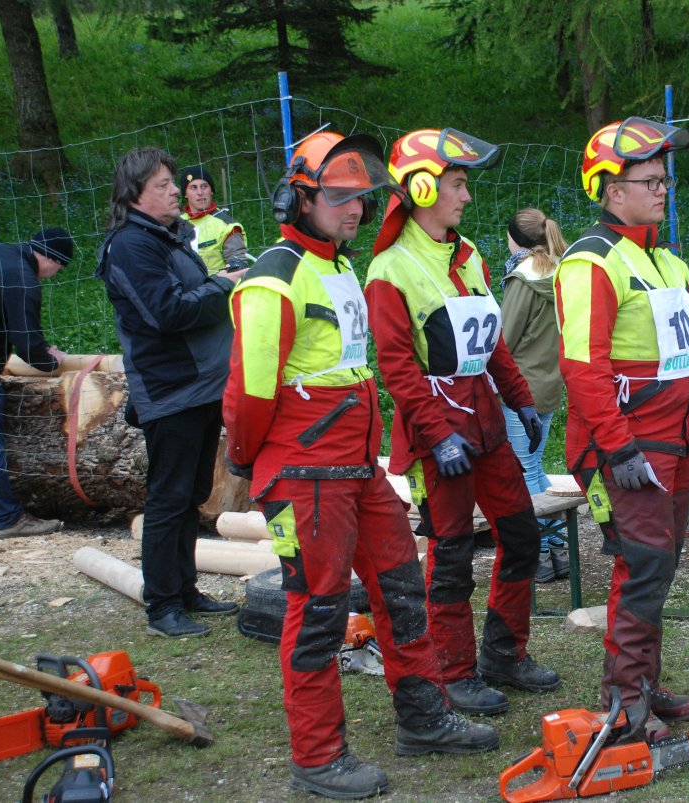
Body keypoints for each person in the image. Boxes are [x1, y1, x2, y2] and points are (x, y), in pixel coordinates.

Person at [224, 131, 497, 800]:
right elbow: (249, 394)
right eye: (340, 198)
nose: (355, 210)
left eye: (360, 198)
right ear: (301, 197)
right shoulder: (274, 277)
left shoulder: (339, 268)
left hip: (356, 466)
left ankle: (423, 717)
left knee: (402, 591)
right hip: (305, 472)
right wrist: (251, 463)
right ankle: (317, 756)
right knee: (318, 611)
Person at [366, 127, 560, 718]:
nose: (466, 196)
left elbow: (492, 340)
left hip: (486, 421)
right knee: (450, 556)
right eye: (456, 183)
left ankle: (504, 654)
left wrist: (520, 399)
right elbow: (397, 368)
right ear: (422, 188)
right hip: (437, 433)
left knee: (521, 537)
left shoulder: (468, 252)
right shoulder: (389, 270)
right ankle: (452, 673)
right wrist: (437, 433)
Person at [554, 117, 689, 724]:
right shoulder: (591, 262)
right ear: (613, 190)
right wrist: (618, 448)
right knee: (642, 564)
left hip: (675, 437)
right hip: (632, 443)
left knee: (659, 565)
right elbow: (583, 367)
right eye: (650, 181)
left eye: (664, 179)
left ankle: (641, 684)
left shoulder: (666, 261)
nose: (662, 189)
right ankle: (624, 703)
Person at [96, 147, 245, 639]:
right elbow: (168, 312)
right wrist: (223, 284)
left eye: (172, 182)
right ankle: (162, 605)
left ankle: (184, 590)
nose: (176, 190)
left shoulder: (168, 237)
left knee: (193, 493)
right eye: (162, 185)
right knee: (169, 496)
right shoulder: (131, 245)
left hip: (200, 386)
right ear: (134, 194)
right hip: (170, 388)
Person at [0, 228, 72, 538]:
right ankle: (10, 519)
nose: (54, 275)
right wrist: (52, 360)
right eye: (59, 268)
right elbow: (28, 343)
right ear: (52, 259)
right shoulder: (23, 278)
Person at [500, 208, 569, 583]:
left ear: (515, 239)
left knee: (524, 471)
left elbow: (505, 337)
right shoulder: (560, 270)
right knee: (535, 466)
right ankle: (558, 547)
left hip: (520, 388)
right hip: (551, 381)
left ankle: (540, 556)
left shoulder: (522, 278)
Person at [179, 164, 249, 274]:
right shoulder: (174, 222)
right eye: (193, 187)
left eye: (204, 186)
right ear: (185, 194)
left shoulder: (227, 226)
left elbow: (238, 266)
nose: (200, 192)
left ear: (211, 190)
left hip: (217, 284)